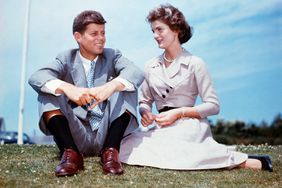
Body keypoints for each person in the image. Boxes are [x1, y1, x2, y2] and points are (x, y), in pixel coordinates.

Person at [119, 4, 273, 172]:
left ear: (176, 29)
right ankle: (214, 155)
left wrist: (179, 112)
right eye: (153, 31)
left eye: (160, 30)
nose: (155, 35)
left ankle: (251, 162)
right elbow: (144, 101)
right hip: (161, 127)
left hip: (189, 125)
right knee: (125, 146)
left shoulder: (195, 63)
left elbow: (213, 106)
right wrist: (145, 112)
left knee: (176, 152)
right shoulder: (150, 66)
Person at [29, 10, 144, 176]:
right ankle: (70, 154)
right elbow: (37, 77)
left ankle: (111, 153)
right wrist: (69, 89)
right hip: (76, 134)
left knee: (125, 84)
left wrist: (110, 86)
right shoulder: (65, 58)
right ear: (78, 37)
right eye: (94, 34)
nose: (101, 38)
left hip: (107, 133)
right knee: (48, 88)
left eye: (103, 33)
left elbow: (136, 72)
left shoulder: (113, 56)